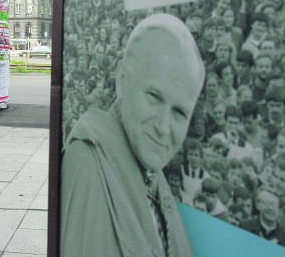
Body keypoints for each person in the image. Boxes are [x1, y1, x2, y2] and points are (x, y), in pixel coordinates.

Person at [60, 14, 205, 257]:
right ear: (122, 80)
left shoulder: (150, 168)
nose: (163, 127)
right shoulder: (88, 159)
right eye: (154, 97)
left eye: (179, 112)